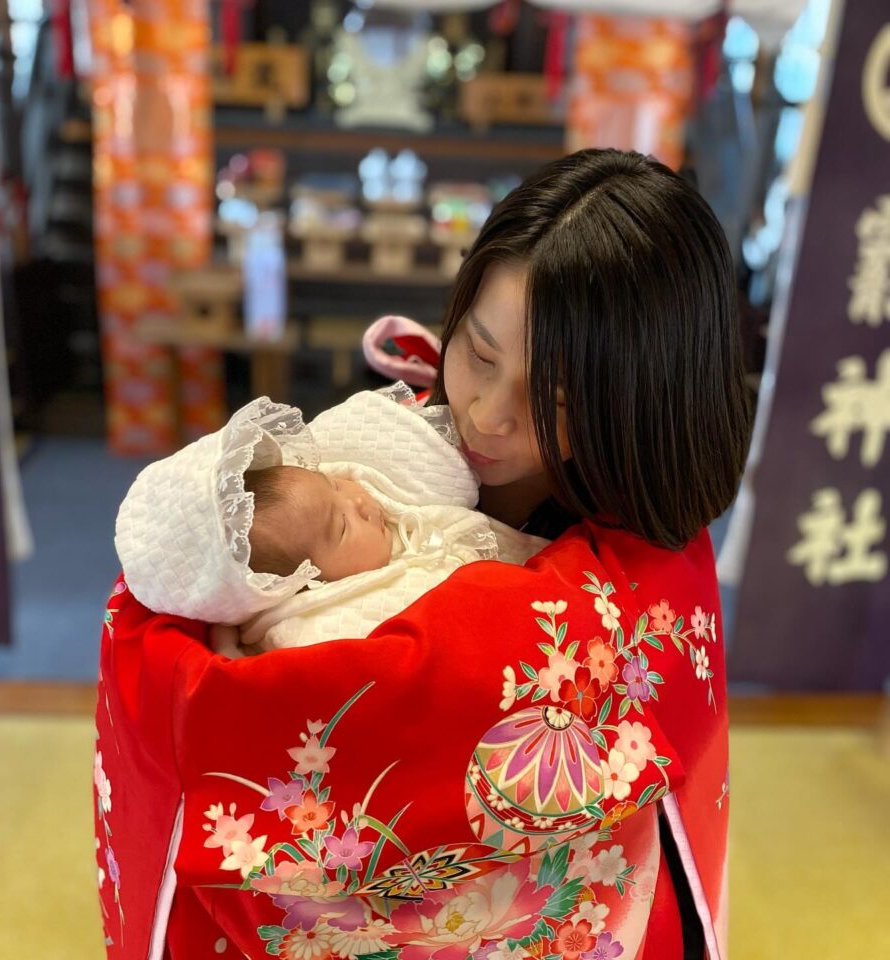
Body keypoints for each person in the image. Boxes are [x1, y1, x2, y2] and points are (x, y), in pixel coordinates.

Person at [94, 149, 751, 960]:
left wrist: (259, 692)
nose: (486, 415)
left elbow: (468, 680)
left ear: (642, 401)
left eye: (554, 399)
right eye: (478, 352)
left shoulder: (648, 568)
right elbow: (175, 587)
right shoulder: (385, 442)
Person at [113, 387, 545, 652]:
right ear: (306, 583)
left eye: (334, 485)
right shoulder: (323, 624)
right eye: (341, 527)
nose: (359, 501)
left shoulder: (361, 495)